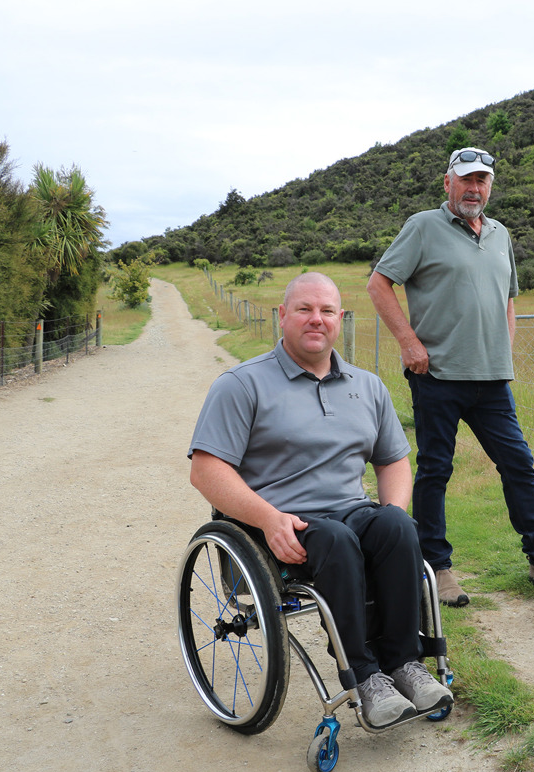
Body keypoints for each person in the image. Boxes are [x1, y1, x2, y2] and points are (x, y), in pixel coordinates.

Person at [188, 272, 451, 728]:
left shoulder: (367, 387)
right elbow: (206, 470)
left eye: (327, 311)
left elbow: (393, 461)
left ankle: (406, 665)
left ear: (340, 319)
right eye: (305, 309)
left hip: (350, 512)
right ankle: (365, 678)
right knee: (333, 536)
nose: (316, 319)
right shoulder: (242, 385)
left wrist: (393, 508)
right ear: (282, 315)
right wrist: (269, 519)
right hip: (278, 524)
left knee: (398, 527)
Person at [368, 146, 534, 608]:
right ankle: (437, 569)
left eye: (483, 181)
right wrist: (409, 344)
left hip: (492, 379)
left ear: (490, 186)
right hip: (437, 375)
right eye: (467, 180)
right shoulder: (423, 226)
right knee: (436, 470)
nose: (475, 189)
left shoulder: (499, 234)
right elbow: (379, 283)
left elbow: (509, 297)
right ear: (448, 182)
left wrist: (504, 345)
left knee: (518, 464)